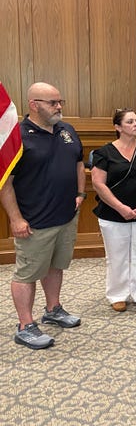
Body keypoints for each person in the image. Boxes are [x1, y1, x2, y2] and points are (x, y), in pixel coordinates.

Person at [0, 82, 83, 349]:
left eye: (60, 102)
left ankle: (53, 309)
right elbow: (5, 183)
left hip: (65, 217)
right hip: (34, 221)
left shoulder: (66, 130)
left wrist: (81, 194)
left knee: (55, 266)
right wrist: (15, 219)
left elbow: (79, 162)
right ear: (33, 105)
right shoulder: (18, 136)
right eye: (52, 103)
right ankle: (25, 325)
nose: (59, 107)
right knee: (27, 274)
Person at [91, 109, 136, 312]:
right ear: (118, 127)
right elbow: (98, 184)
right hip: (113, 213)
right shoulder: (104, 153)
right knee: (116, 256)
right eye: (130, 121)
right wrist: (120, 207)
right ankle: (117, 294)